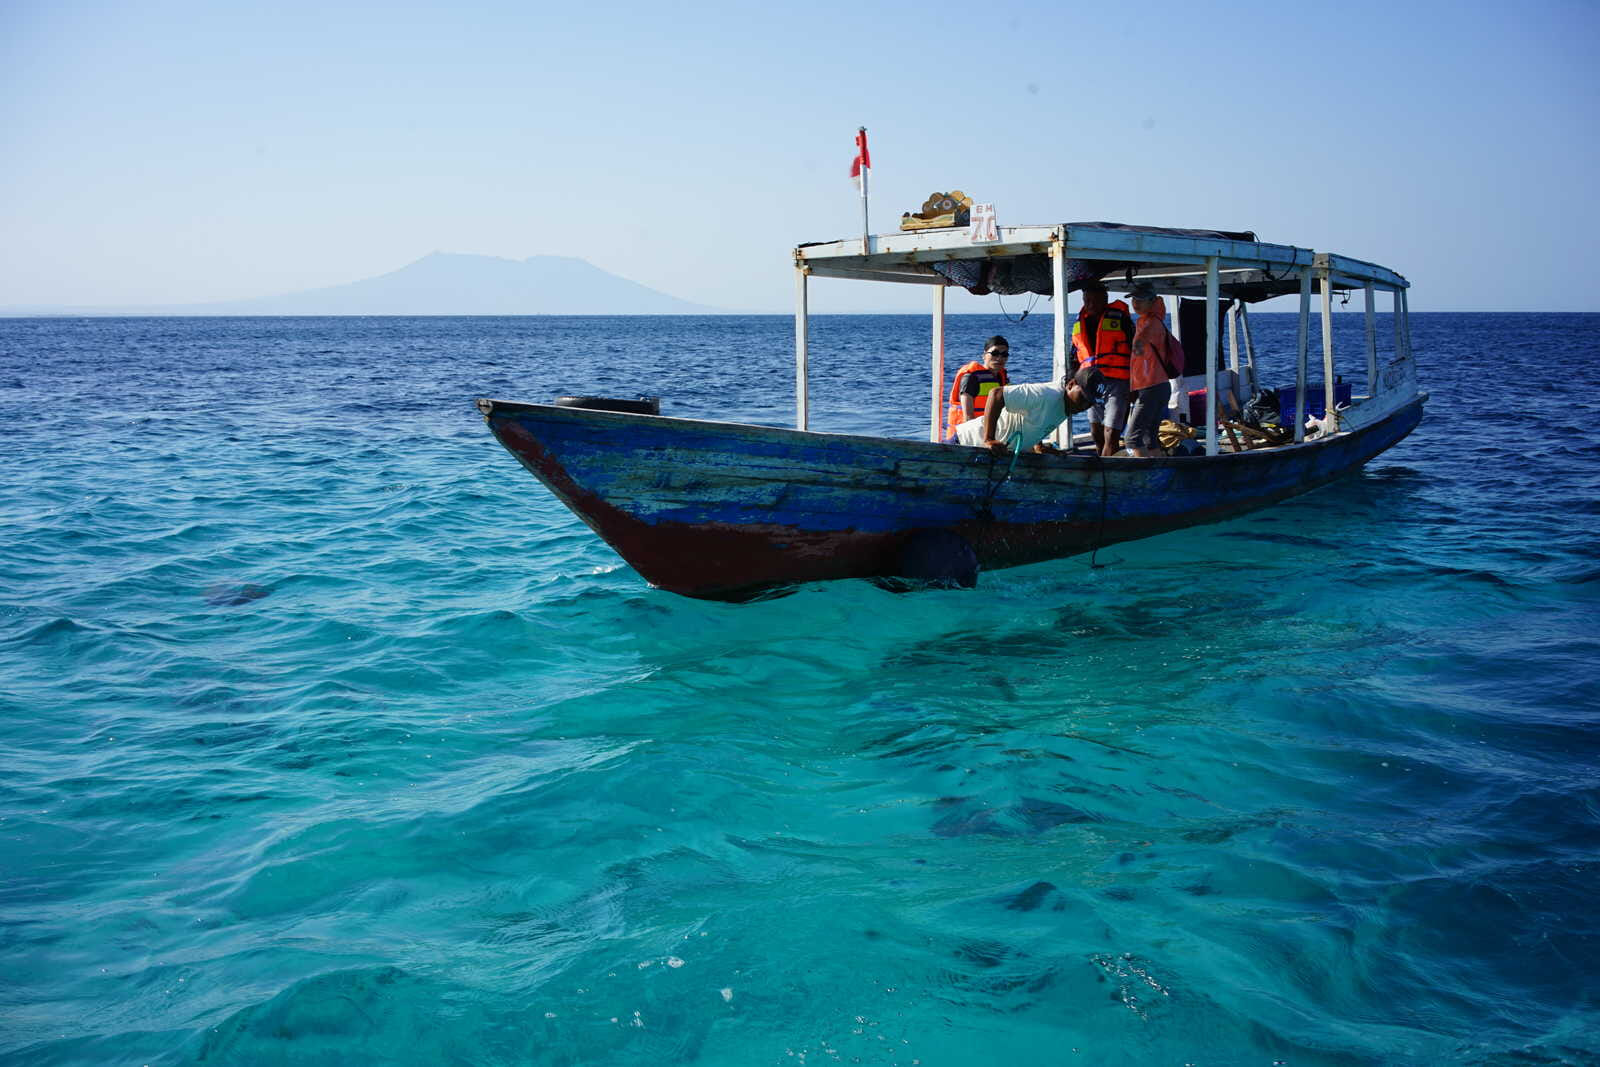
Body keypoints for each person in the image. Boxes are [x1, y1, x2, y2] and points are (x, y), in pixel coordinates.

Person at [1070, 281, 1134, 457]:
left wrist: (1135, 385)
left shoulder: (1121, 319)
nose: (1090, 305)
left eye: (1094, 301)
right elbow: (1074, 355)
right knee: (1096, 432)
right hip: (1090, 383)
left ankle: (1106, 471)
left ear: (1105, 299)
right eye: (1086, 300)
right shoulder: (1079, 322)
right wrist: (1072, 377)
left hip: (1117, 382)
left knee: (1111, 433)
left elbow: (1136, 352)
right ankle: (1101, 462)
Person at [955, 375, 1095, 454]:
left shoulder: (1070, 404)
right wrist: (988, 439)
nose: (1084, 406)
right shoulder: (1046, 394)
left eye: (1089, 403)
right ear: (1071, 384)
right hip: (966, 442)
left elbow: (1037, 418)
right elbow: (996, 394)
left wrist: (1038, 446)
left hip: (996, 453)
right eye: (1082, 397)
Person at [1125, 283, 1183, 458]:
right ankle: (1160, 473)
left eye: (1140, 300)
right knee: (1150, 438)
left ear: (1152, 302)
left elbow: (1137, 357)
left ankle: (1143, 478)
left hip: (1151, 387)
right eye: (1134, 299)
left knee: (1132, 439)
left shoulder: (1149, 324)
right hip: (1160, 386)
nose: (1135, 303)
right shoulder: (1152, 321)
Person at [944, 336, 1010, 440]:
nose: (999, 358)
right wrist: (983, 441)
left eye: (1004, 354)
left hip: (989, 434)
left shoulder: (1003, 378)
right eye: (994, 353)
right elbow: (968, 416)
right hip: (964, 437)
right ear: (984, 355)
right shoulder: (971, 377)